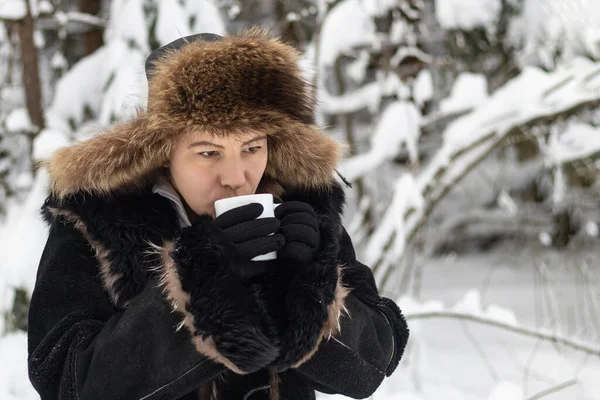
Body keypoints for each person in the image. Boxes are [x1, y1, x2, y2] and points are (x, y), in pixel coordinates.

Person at [27, 28, 409, 400]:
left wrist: (309, 283)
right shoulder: (96, 216)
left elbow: (373, 364)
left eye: (252, 147)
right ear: (163, 151)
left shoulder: (302, 203)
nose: (236, 177)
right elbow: (64, 379)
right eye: (209, 152)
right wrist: (201, 285)